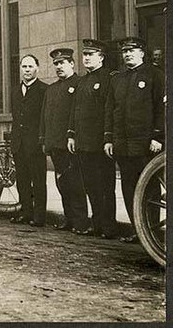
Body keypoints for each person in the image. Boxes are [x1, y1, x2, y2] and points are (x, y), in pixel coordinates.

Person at [104, 37, 165, 243]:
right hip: (123, 145)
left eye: (132, 50)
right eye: (124, 51)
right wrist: (109, 139)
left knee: (149, 188)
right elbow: (111, 111)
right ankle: (137, 230)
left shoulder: (155, 75)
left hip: (146, 144)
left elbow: (161, 109)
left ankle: (152, 233)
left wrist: (158, 136)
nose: (128, 54)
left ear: (141, 53)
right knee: (129, 188)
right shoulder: (117, 79)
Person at [67, 39, 117, 239]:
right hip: (83, 144)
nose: (86, 58)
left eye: (91, 55)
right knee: (91, 186)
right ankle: (97, 225)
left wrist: (107, 138)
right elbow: (75, 111)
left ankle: (109, 227)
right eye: (84, 55)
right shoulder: (82, 81)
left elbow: (109, 110)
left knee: (105, 186)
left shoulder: (109, 78)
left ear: (101, 57)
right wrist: (71, 134)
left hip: (99, 144)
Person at [39, 48, 88, 232]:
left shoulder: (79, 84)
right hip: (55, 144)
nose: (59, 67)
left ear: (72, 64)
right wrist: (44, 140)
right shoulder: (51, 89)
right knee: (62, 184)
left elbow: (78, 115)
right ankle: (69, 219)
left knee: (75, 183)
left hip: (70, 145)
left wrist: (72, 136)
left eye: (62, 63)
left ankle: (81, 221)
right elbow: (45, 116)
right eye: (56, 64)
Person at [10, 55, 48, 226]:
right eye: (24, 66)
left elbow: (45, 119)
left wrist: (42, 141)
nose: (27, 70)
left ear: (37, 68)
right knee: (22, 181)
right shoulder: (15, 91)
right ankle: (26, 212)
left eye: (30, 66)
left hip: (35, 144)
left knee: (38, 181)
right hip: (19, 144)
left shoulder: (43, 90)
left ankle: (39, 216)